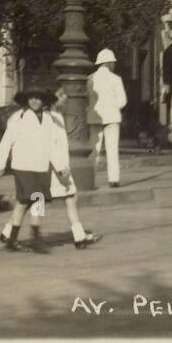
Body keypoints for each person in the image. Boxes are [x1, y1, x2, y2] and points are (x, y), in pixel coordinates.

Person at [0, 89, 67, 254]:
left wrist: (60, 167)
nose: (34, 101)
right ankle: (35, 238)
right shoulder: (18, 117)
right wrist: (0, 164)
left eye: (38, 98)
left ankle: (14, 239)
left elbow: (52, 146)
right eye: (31, 98)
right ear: (26, 100)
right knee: (29, 200)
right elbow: (6, 141)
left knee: (31, 202)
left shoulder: (49, 119)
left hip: (41, 166)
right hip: (23, 165)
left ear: (44, 101)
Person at [49, 87, 101, 249]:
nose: (65, 98)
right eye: (61, 95)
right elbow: (51, 146)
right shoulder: (51, 118)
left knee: (70, 197)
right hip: (55, 168)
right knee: (30, 201)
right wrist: (60, 168)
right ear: (53, 99)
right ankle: (13, 232)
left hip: (57, 167)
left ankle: (79, 236)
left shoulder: (56, 117)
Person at [87, 48, 127, 188]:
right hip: (112, 116)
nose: (114, 65)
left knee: (94, 148)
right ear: (109, 63)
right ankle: (114, 179)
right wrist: (113, 107)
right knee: (112, 148)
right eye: (113, 62)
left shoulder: (90, 79)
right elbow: (123, 101)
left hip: (94, 117)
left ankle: (90, 179)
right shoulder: (116, 79)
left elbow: (86, 99)